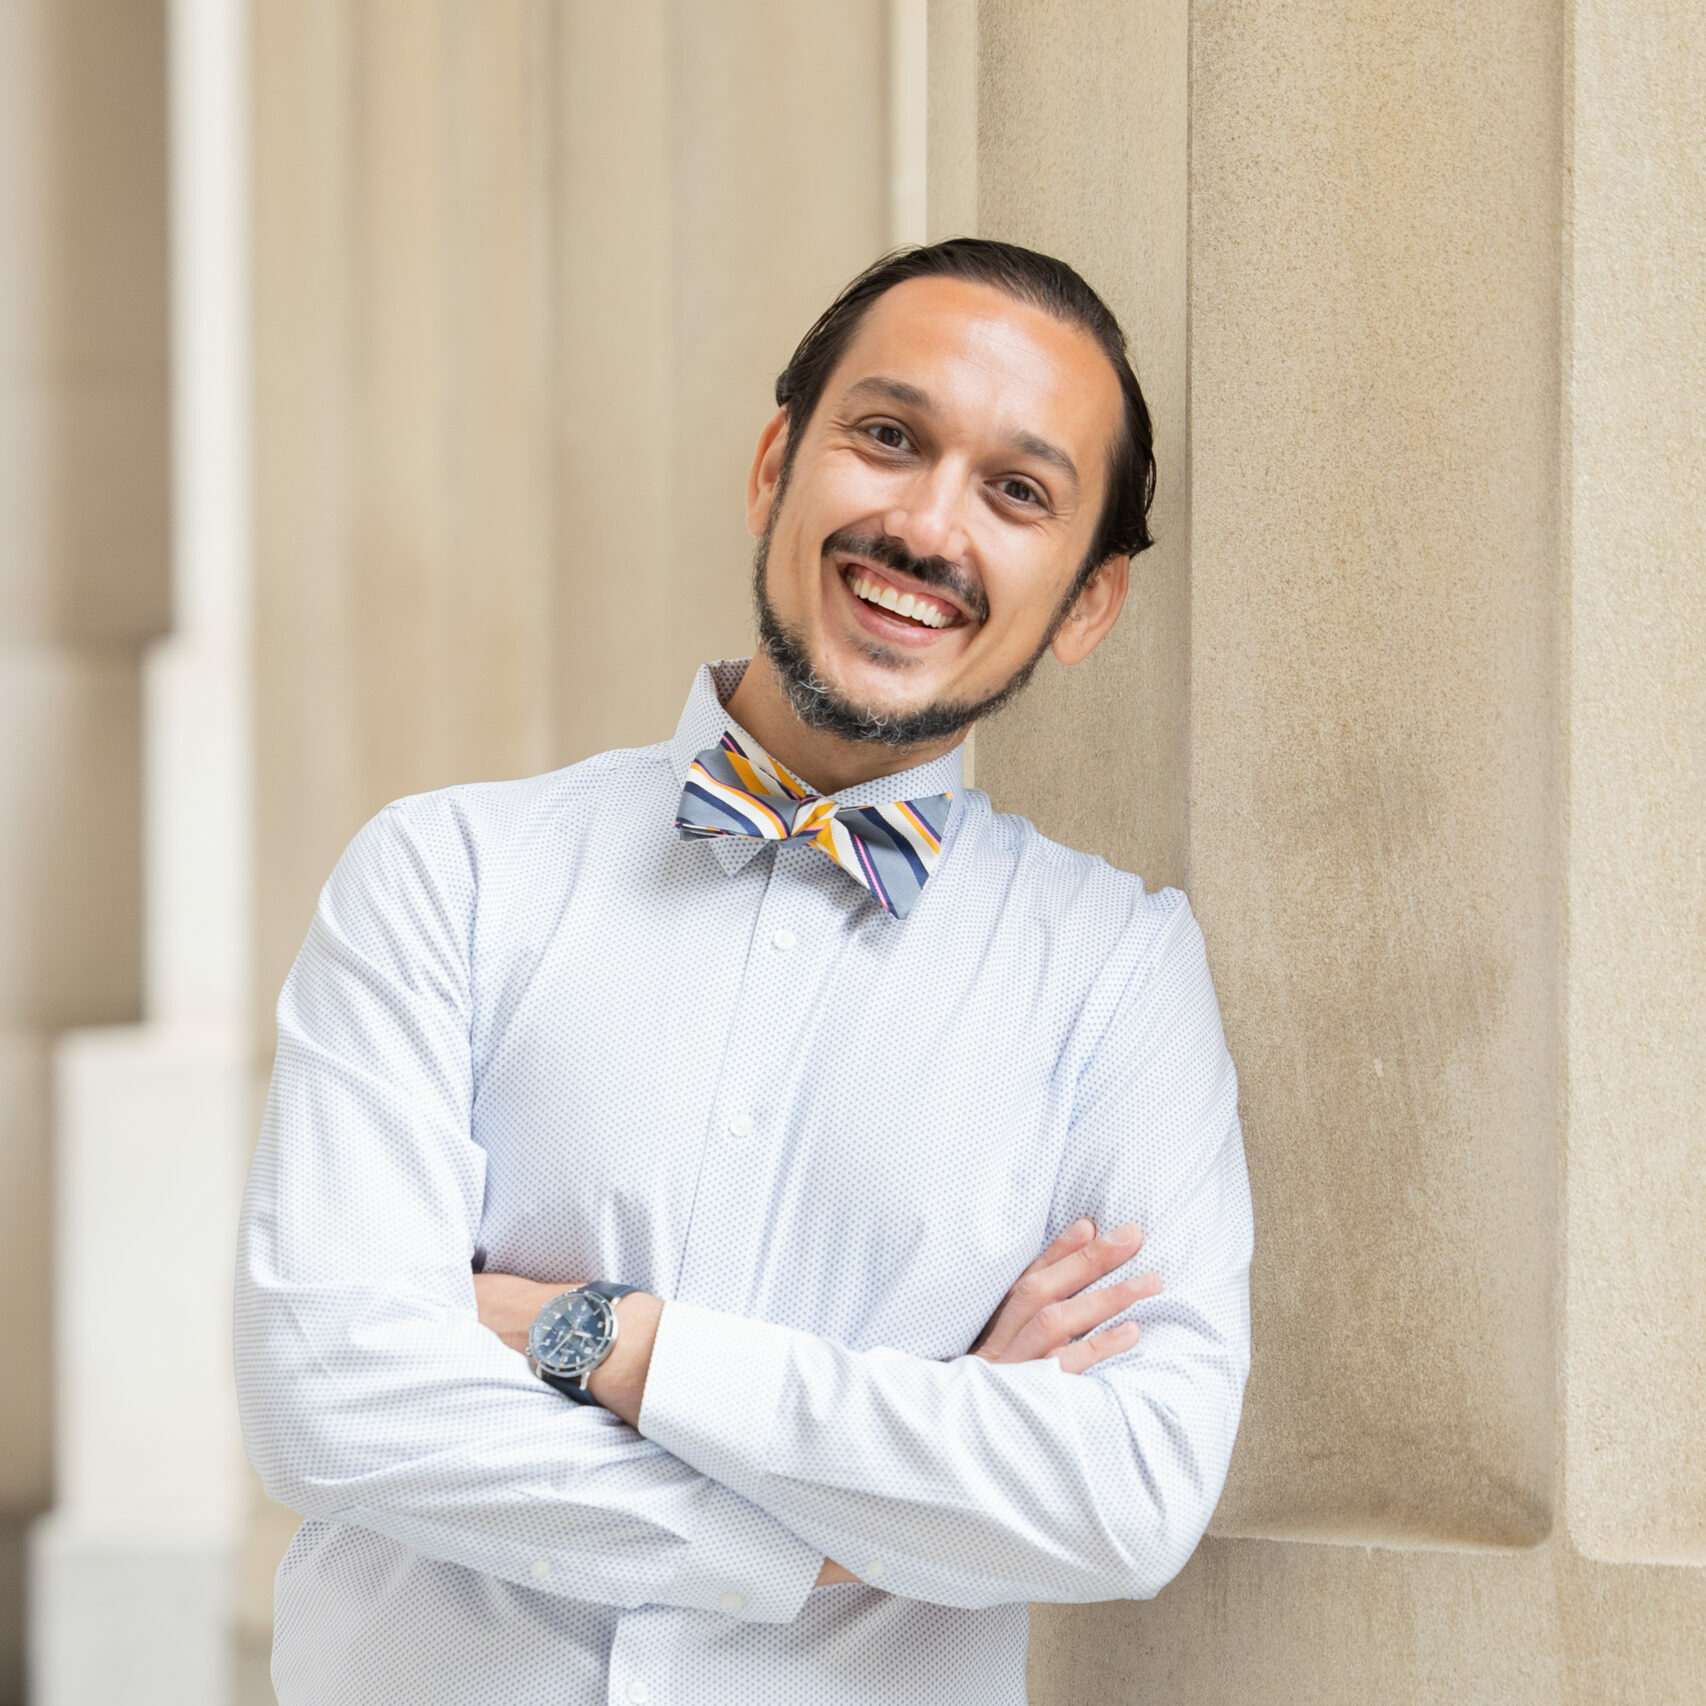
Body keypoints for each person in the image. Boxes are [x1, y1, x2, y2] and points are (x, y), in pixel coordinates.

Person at [235, 237, 1253, 1705]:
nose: (924, 523)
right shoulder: (446, 875)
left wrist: (602, 1339)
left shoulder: (1116, 973)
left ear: (1088, 600)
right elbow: (330, 1398)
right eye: (887, 437)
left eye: (1016, 491)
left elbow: (1132, 1487)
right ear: (777, 462)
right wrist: (859, 1523)